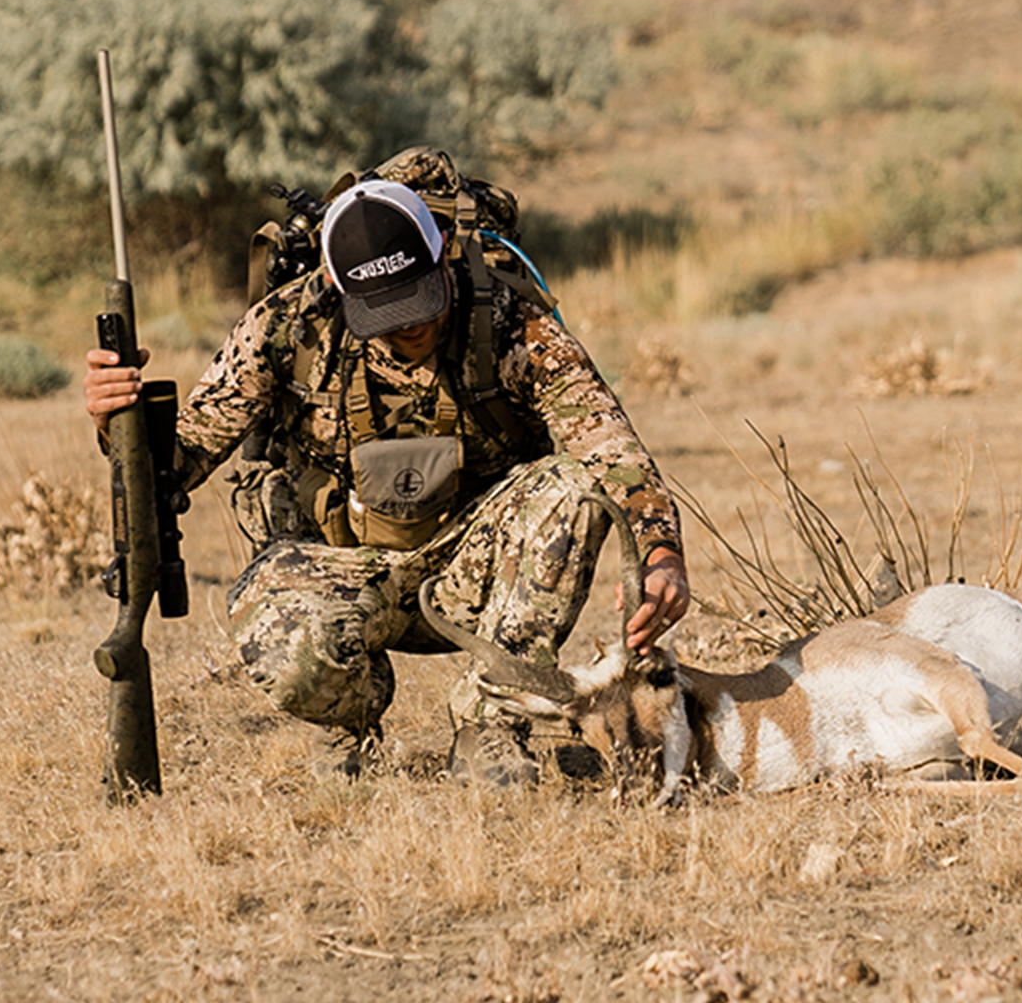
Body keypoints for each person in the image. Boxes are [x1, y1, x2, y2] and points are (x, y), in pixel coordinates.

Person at [81, 166, 692, 786]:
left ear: (444, 255)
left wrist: (661, 549)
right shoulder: (285, 328)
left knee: (574, 486)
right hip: (344, 575)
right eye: (385, 312)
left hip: (473, 574)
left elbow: (612, 453)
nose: (411, 325)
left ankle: (491, 725)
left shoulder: (514, 324)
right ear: (334, 287)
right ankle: (348, 723)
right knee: (278, 629)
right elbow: (177, 462)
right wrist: (115, 421)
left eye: (421, 297)